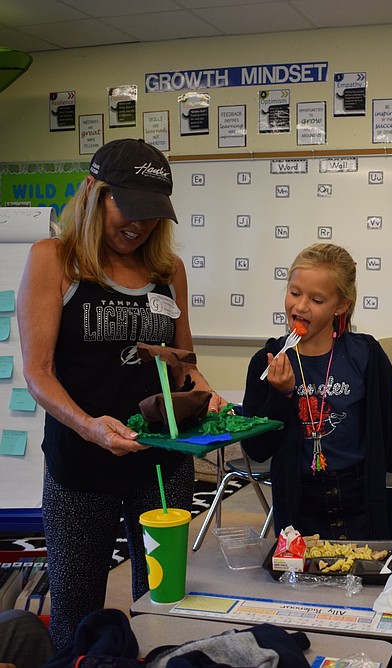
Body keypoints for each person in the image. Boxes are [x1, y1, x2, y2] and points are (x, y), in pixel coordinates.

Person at [17, 138, 228, 650]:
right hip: (80, 465)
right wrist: (90, 426)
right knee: (77, 608)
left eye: (152, 215)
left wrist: (210, 398)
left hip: (162, 465)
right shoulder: (54, 260)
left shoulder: (167, 270)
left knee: (162, 600)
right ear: (93, 193)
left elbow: (185, 366)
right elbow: (38, 374)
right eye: (128, 209)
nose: (139, 226)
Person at [241, 243, 392, 539]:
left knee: (363, 578)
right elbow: (257, 449)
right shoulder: (269, 361)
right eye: (295, 293)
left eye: (317, 299)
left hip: (359, 498)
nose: (300, 307)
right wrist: (282, 396)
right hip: (299, 501)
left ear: (341, 305)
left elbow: (388, 431)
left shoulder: (367, 356)